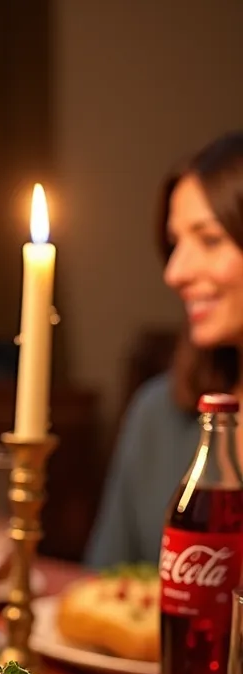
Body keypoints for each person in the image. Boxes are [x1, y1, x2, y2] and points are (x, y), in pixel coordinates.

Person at [86, 131, 243, 567]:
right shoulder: (157, 415)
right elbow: (105, 587)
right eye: (174, 245)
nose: (175, 273)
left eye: (209, 240)